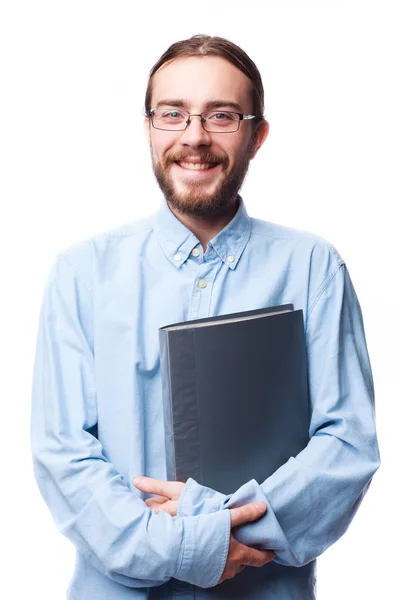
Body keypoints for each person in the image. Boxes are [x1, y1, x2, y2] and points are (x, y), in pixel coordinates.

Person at [30, 34, 380, 600]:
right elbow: (63, 457)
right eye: (174, 114)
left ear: (256, 135)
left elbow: (346, 447)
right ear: (149, 128)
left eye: (221, 115)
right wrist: (197, 546)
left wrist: (211, 524)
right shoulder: (81, 273)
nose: (195, 137)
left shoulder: (314, 267)